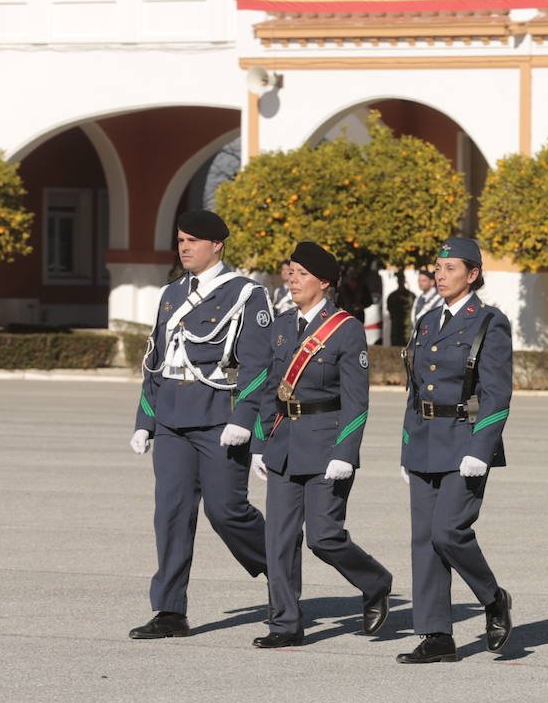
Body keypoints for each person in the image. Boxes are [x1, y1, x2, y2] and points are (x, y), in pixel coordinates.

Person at [127, 210, 273, 639]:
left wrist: (245, 419)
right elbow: (156, 360)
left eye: (193, 240)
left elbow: (258, 365)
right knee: (170, 513)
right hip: (173, 417)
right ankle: (170, 611)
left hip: (217, 418)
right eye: (181, 240)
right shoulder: (172, 293)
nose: (185, 247)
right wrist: (145, 421)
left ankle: (280, 568)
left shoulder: (246, 295)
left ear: (217, 245)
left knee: (227, 511)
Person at [249, 241, 393, 648]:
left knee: (323, 537)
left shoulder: (345, 329)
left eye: (301, 275)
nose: (291, 280)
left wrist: (345, 454)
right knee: (278, 540)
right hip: (283, 445)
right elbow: (265, 389)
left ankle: (376, 581)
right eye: (289, 272)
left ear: (324, 283)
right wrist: (260, 443)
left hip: (326, 446)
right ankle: (285, 625)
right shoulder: (279, 326)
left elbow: (357, 400)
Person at [396, 237, 514, 664]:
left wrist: (481, 446)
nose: (440, 275)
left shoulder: (489, 323)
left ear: (473, 274)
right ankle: (436, 635)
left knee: (449, 531)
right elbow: (414, 391)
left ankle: (493, 597)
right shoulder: (427, 321)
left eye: (450, 269)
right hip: (425, 440)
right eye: (438, 268)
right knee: (424, 541)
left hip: (465, 439)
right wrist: (406, 447)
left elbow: (497, 394)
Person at [385, 271, 415, 346]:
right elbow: (389, 309)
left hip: (407, 327)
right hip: (396, 327)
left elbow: (414, 310)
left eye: (402, 279)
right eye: (399, 279)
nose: (400, 281)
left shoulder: (411, 295)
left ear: (404, 280)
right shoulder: (392, 296)